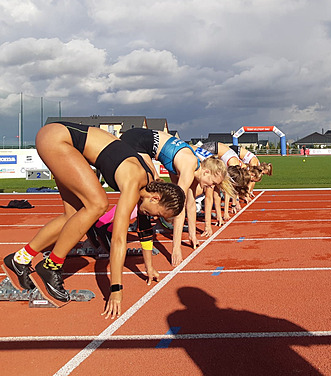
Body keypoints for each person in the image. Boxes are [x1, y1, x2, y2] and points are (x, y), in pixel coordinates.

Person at [1, 121, 185, 318]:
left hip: (58, 139)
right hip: (58, 139)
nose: (153, 217)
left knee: (74, 216)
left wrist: (149, 267)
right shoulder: (134, 181)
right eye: (157, 214)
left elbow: (144, 230)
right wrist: (116, 290)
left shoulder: (150, 183)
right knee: (97, 205)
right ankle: (51, 266)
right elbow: (119, 239)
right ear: (155, 198)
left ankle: (19, 259)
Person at [120, 128, 231, 266]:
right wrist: (176, 248)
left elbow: (190, 204)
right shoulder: (189, 166)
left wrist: (192, 235)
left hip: (144, 142)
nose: (211, 187)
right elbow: (179, 207)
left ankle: (145, 222)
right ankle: (113, 226)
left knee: (158, 187)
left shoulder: (194, 169)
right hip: (136, 140)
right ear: (206, 171)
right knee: (148, 189)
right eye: (212, 183)